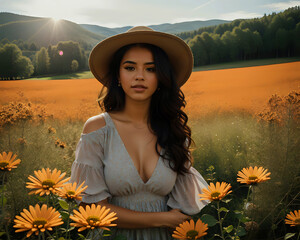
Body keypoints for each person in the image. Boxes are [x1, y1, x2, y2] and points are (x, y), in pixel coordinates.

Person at [70, 26, 209, 240]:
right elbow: (93, 210)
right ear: (118, 75)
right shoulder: (97, 130)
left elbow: (183, 209)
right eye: (130, 68)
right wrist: (163, 219)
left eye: (151, 69)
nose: (140, 76)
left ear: (161, 78)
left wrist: (173, 220)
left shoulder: (174, 133)